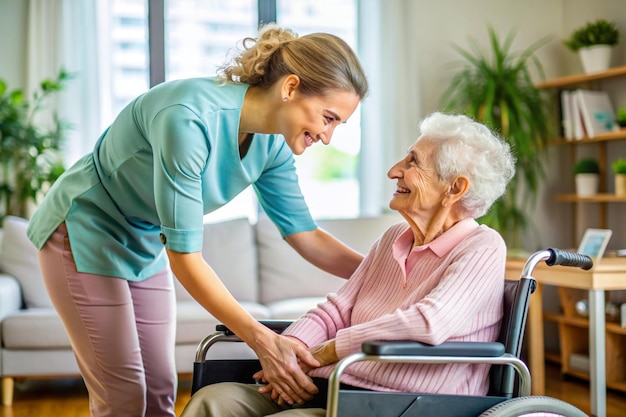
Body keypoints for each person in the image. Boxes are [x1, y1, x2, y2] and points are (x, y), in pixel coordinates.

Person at [26, 24, 368, 417]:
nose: (328, 136)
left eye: (337, 124)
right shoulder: (188, 119)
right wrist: (262, 340)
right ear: (290, 88)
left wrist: (387, 273)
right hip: (84, 229)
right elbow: (186, 258)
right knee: (122, 396)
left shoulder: (274, 142)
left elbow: (305, 235)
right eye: (328, 118)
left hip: (145, 239)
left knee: (159, 391)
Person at [179, 111, 517, 417]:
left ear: (454, 188)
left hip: (405, 403)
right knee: (213, 402)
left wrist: (331, 351)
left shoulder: (482, 247)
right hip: (336, 388)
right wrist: (290, 354)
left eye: (412, 162)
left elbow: (430, 323)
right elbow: (336, 311)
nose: (393, 170)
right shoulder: (393, 238)